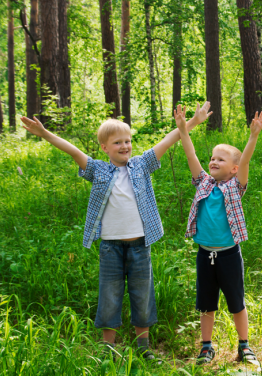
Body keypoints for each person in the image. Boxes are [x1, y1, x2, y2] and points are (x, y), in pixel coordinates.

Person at [20, 102, 212, 360]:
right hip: (110, 247)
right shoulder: (98, 169)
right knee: (109, 296)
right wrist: (45, 134)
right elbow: (73, 151)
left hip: (139, 246)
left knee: (142, 295)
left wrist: (192, 123)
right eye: (118, 143)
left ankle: (143, 347)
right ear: (104, 148)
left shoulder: (141, 165)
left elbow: (168, 140)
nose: (124, 146)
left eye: (127, 141)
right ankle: (107, 349)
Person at [173, 105, 262, 364]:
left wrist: (253, 136)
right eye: (212, 158)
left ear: (234, 169)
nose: (213, 162)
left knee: (236, 301)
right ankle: (206, 346)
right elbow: (191, 156)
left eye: (220, 160)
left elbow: (245, 159)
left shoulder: (236, 187)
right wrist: (183, 130)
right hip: (205, 255)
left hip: (229, 255)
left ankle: (244, 346)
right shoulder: (202, 181)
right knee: (206, 304)